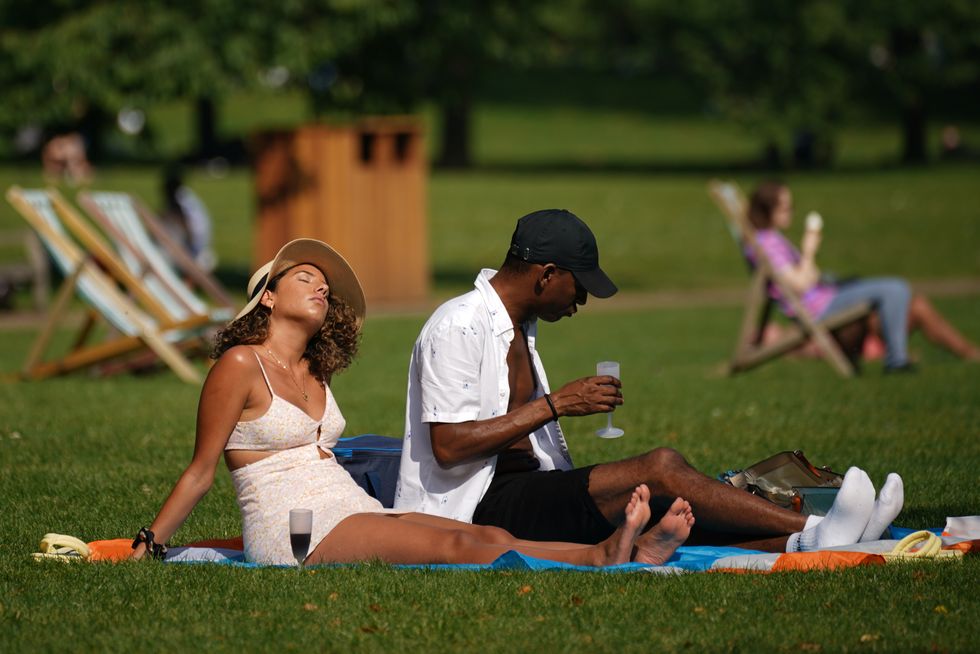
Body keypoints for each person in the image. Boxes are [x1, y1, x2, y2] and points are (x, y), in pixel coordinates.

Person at [131, 238, 695, 567]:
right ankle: (605, 557)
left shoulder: (312, 370)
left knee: (486, 536)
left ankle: (608, 550)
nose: (321, 287)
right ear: (269, 297)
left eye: (325, 284)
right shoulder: (238, 366)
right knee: (452, 544)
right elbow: (202, 471)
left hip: (347, 506)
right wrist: (150, 543)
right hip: (291, 526)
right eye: (305, 278)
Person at [395, 209, 905, 553]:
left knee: (673, 504)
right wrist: (556, 404)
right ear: (546, 275)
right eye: (580, 286)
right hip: (473, 509)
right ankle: (816, 529)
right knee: (660, 468)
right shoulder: (458, 324)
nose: (583, 302)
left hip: (525, 491)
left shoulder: (516, 325)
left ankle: (820, 541)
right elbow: (448, 446)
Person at [747, 181, 980, 372]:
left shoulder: (772, 240)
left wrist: (810, 262)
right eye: (786, 208)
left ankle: (964, 353)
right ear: (768, 210)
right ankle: (897, 360)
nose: (792, 212)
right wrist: (809, 250)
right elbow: (800, 283)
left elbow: (810, 276)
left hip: (826, 296)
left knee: (913, 302)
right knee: (895, 288)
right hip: (820, 307)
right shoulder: (767, 244)